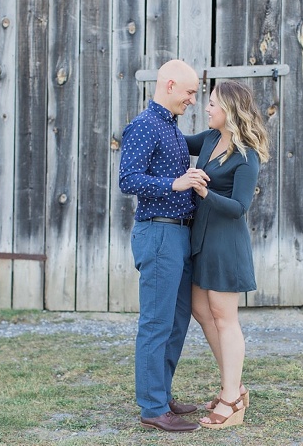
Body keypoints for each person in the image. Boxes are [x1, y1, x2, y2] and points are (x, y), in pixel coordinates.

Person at [119, 59, 210, 433]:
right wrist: (173, 185)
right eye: (189, 92)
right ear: (170, 85)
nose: (192, 99)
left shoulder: (170, 127)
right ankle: (153, 408)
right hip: (158, 234)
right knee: (156, 323)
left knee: (176, 321)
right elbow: (128, 179)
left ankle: (162, 392)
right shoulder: (144, 125)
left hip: (179, 235)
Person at [184, 80, 270, 429]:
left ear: (230, 111)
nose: (206, 107)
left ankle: (232, 399)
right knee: (201, 311)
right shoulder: (207, 139)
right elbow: (173, 140)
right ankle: (234, 386)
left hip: (226, 244)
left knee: (224, 318)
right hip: (201, 238)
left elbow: (239, 207)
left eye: (212, 103)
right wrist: (158, 113)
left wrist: (204, 192)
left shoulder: (246, 155)